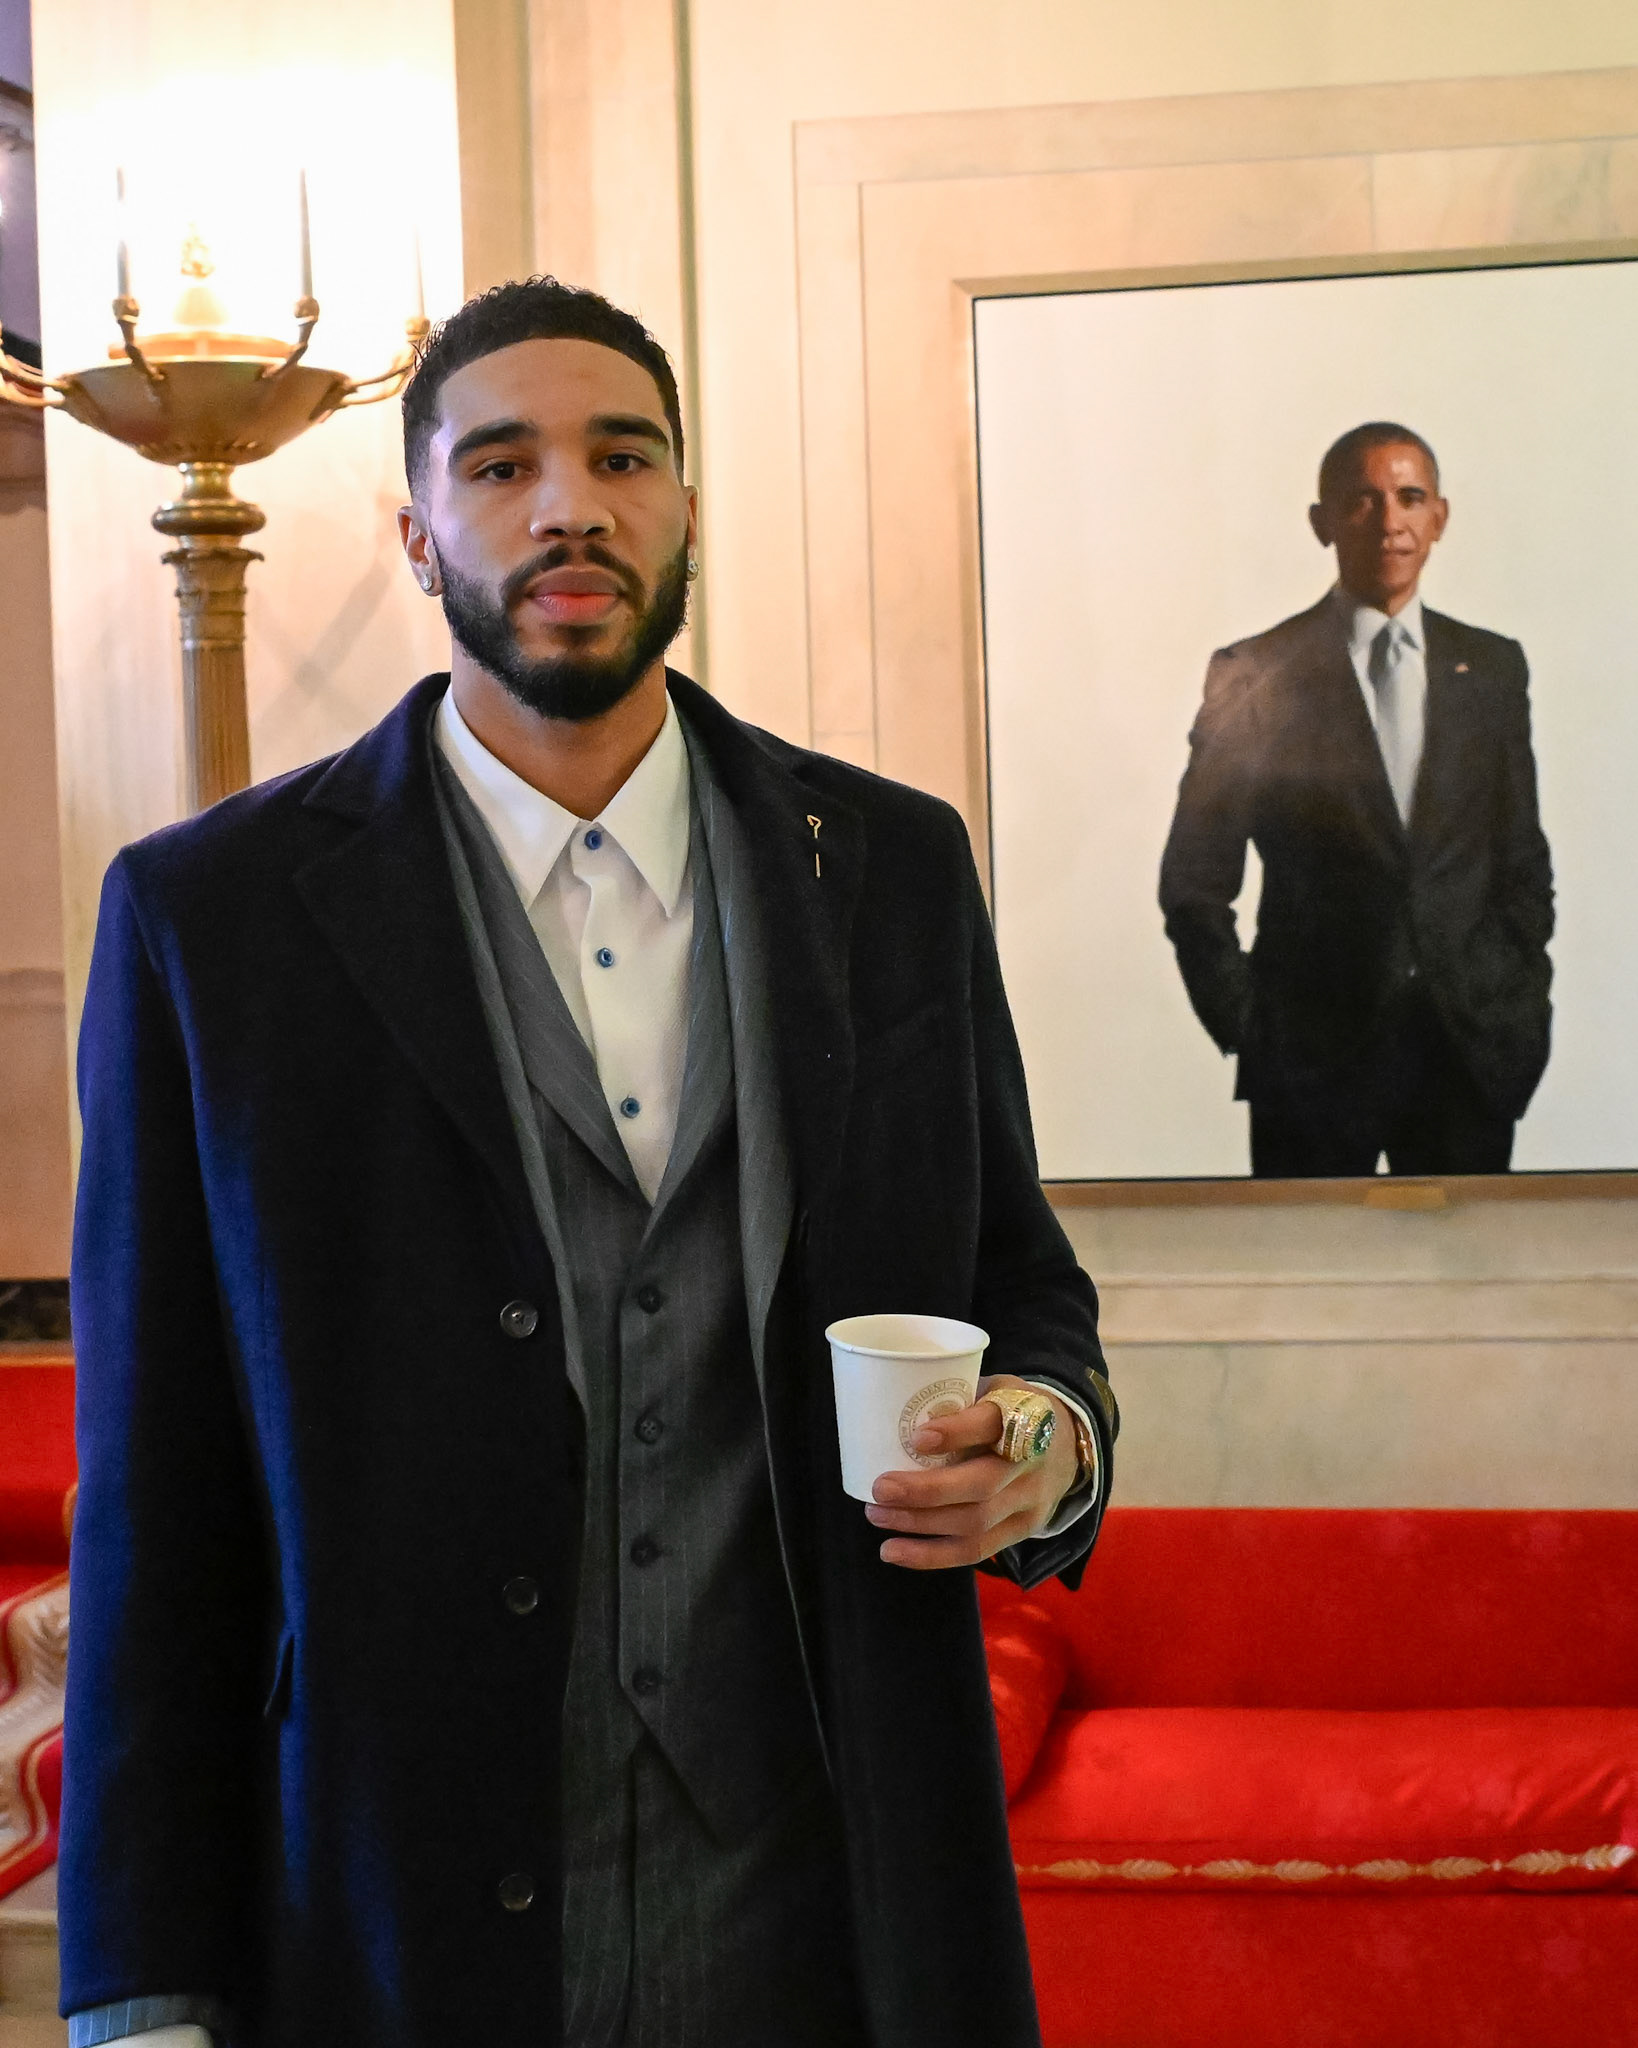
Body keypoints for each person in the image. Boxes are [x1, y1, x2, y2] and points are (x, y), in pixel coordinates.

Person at [59, 277, 1117, 2048]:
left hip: (825, 1893)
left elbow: (1023, 1289)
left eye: (623, 455)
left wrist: (1041, 1444)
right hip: (398, 1897)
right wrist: (141, 1990)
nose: (571, 503)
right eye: (502, 463)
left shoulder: (893, 871)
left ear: (684, 509)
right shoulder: (208, 921)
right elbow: (153, 1487)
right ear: (416, 531)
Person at [1158, 420, 1555, 1178]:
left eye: (1410, 498)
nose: (1390, 521)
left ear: (1439, 517)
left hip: (1466, 1056)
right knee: (1311, 1291)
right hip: (1308, 1068)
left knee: (1464, 1291)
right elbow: (1194, 880)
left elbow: (1522, 859)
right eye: (1362, 501)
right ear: (1323, 521)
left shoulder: (1495, 669)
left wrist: (1518, 1005)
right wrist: (1251, 1025)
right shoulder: (1256, 672)